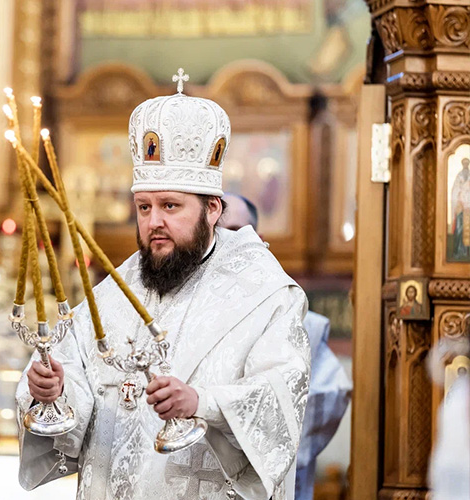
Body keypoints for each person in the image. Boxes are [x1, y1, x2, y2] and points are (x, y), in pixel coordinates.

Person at [17, 82, 311, 500]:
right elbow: (77, 385)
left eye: (170, 206)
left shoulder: (266, 296)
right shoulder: (116, 292)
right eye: (144, 207)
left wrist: (201, 401)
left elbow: (281, 403)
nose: (154, 221)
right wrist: (54, 391)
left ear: (212, 209)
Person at [220, 193, 352, 500]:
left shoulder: (295, 314)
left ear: (258, 238)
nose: (226, 242)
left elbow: (328, 395)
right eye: (217, 232)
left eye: (236, 231)